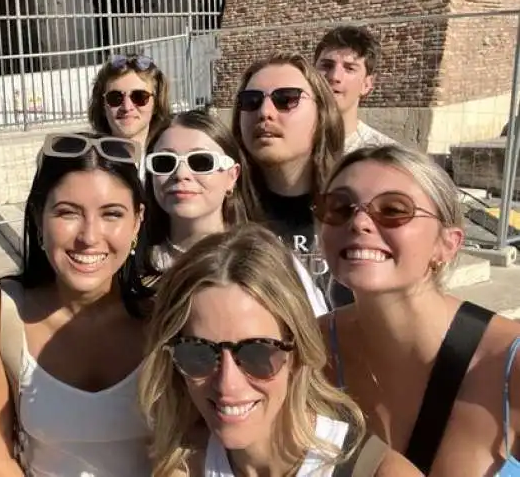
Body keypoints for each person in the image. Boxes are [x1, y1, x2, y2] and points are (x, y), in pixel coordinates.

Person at [138, 224, 420, 477]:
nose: (227, 383)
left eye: (257, 353)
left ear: (297, 352)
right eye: (198, 353)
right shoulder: (183, 466)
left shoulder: (377, 473)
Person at [315, 145, 520, 476]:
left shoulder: (510, 368)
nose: (359, 222)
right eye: (340, 208)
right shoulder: (307, 352)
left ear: (448, 244)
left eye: (394, 210)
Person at [0, 131, 157, 476]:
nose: (89, 236)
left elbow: (191, 444)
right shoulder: (4, 313)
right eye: (68, 213)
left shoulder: (163, 317)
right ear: (39, 217)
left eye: (112, 214)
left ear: (137, 222)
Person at [145, 109, 327, 315]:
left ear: (232, 176)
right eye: (164, 162)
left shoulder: (269, 259)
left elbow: (314, 334)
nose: (181, 174)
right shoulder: (133, 264)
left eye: (201, 162)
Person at [232, 52, 344, 301]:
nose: (265, 112)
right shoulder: (222, 211)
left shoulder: (359, 208)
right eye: (250, 100)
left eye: (286, 99)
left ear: (322, 113)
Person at [313, 25, 395, 153]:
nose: (334, 77)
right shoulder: (287, 143)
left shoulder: (382, 157)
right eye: (327, 65)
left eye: (349, 68)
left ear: (366, 84)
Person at [88, 53, 171, 177]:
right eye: (115, 98)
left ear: (156, 104)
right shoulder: (89, 166)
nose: (127, 107)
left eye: (139, 97)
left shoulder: (171, 161)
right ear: (102, 106)